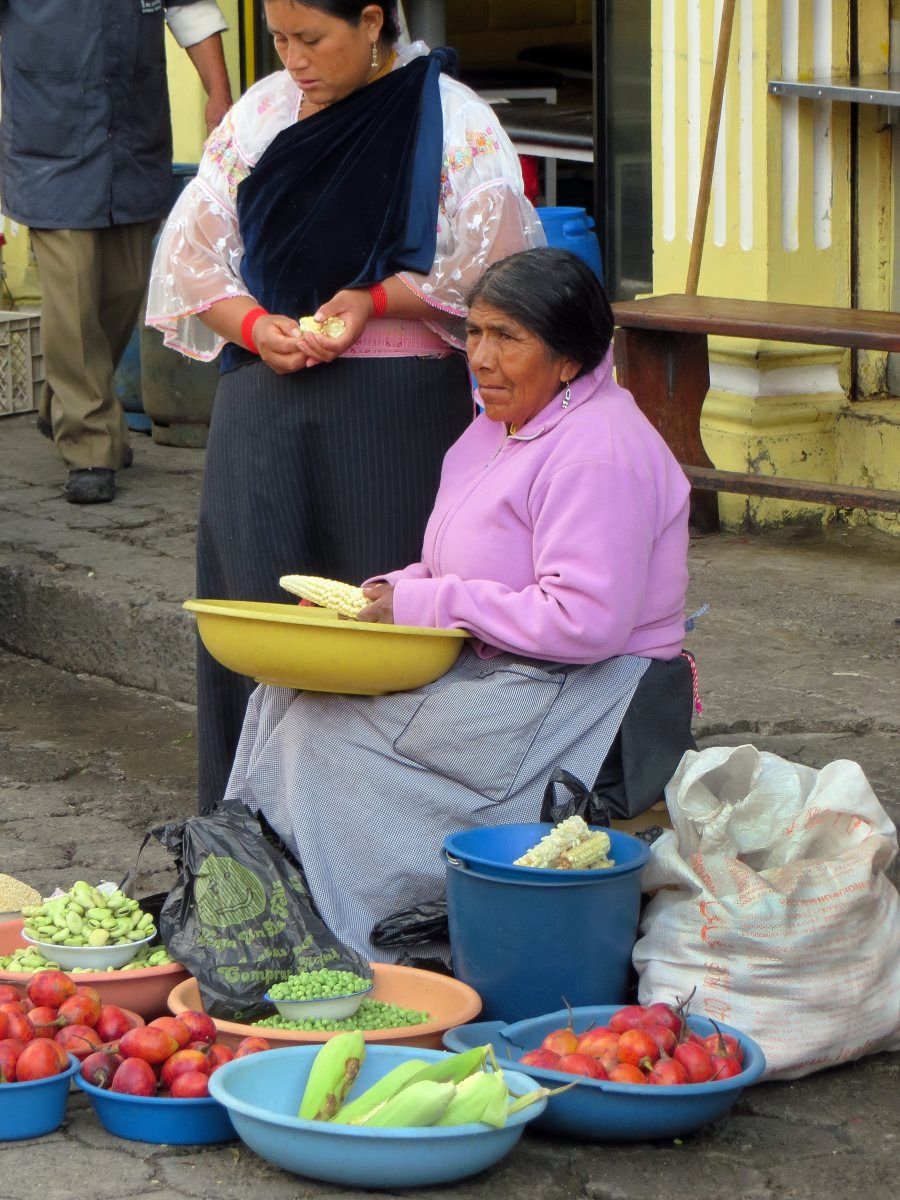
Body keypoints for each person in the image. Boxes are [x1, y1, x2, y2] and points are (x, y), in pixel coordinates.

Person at [223, 248, 696, 961]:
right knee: (282, 698)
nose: (482, 357)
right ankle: (264, 910)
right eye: (474, 333)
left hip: (586, 694)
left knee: (324, 742)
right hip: (507, 665)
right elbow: (455, 562)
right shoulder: (495, 427)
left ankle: (352, 939)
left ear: (569, 359)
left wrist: (432, 602)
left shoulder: (599, 451)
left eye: (508, 338)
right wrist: (393, 589)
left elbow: (585, 621)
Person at [146, 0, 545, 813]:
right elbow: (191, 257)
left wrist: (373, 298)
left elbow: (495, 268)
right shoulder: (259, 115)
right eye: (281, 40)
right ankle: (245, 846)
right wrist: (255, 327)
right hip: (264, 409)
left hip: (395, 418)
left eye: (313, 39)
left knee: (385, 629)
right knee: (257, 624)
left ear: (372, 23)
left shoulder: (453, 120)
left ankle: (379, 841)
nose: (294, 59)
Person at [0, 0, 232, 506]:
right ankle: (90, 444)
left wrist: (218, 92)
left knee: (126, 287)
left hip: (132, 136)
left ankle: (65, 400)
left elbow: (190, 9)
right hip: (51, 139)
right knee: (74, 290)